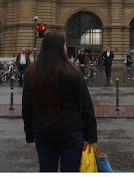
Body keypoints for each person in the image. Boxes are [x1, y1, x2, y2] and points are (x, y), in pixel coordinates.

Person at [22, 32, 97, 172]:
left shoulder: (32, 73)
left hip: (43, 130)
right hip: (71, 131)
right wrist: (91, 133)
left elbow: (27, 107)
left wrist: (29, 132)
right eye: (64, 44)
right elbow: (86, 104)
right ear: (61, 48)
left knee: (46, 170)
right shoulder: (72, 71)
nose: (65, 47)